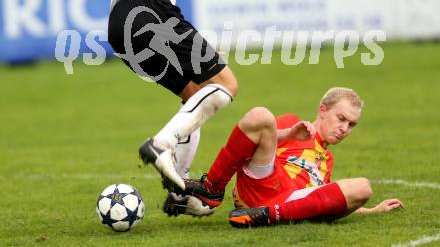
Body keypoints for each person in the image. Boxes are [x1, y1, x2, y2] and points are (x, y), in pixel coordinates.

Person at [107, 0, 315, 195]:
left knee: (195, 96)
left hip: (118, 28)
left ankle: (180, 186)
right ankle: (162, 144)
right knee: (226, 84)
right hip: (148, 10)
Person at [164, 87, 404, 227]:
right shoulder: (293, 124)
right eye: (341, 118)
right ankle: (212, 187)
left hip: (286, 202)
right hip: (264, 182)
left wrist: (372, 210)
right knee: (260, 115)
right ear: (323, 110)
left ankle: (265, 216)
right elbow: (252, 138)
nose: (345, 128)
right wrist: (290, 134)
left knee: (363, 188)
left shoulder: (327, 161)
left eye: (352, 124)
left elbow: (321, 202)